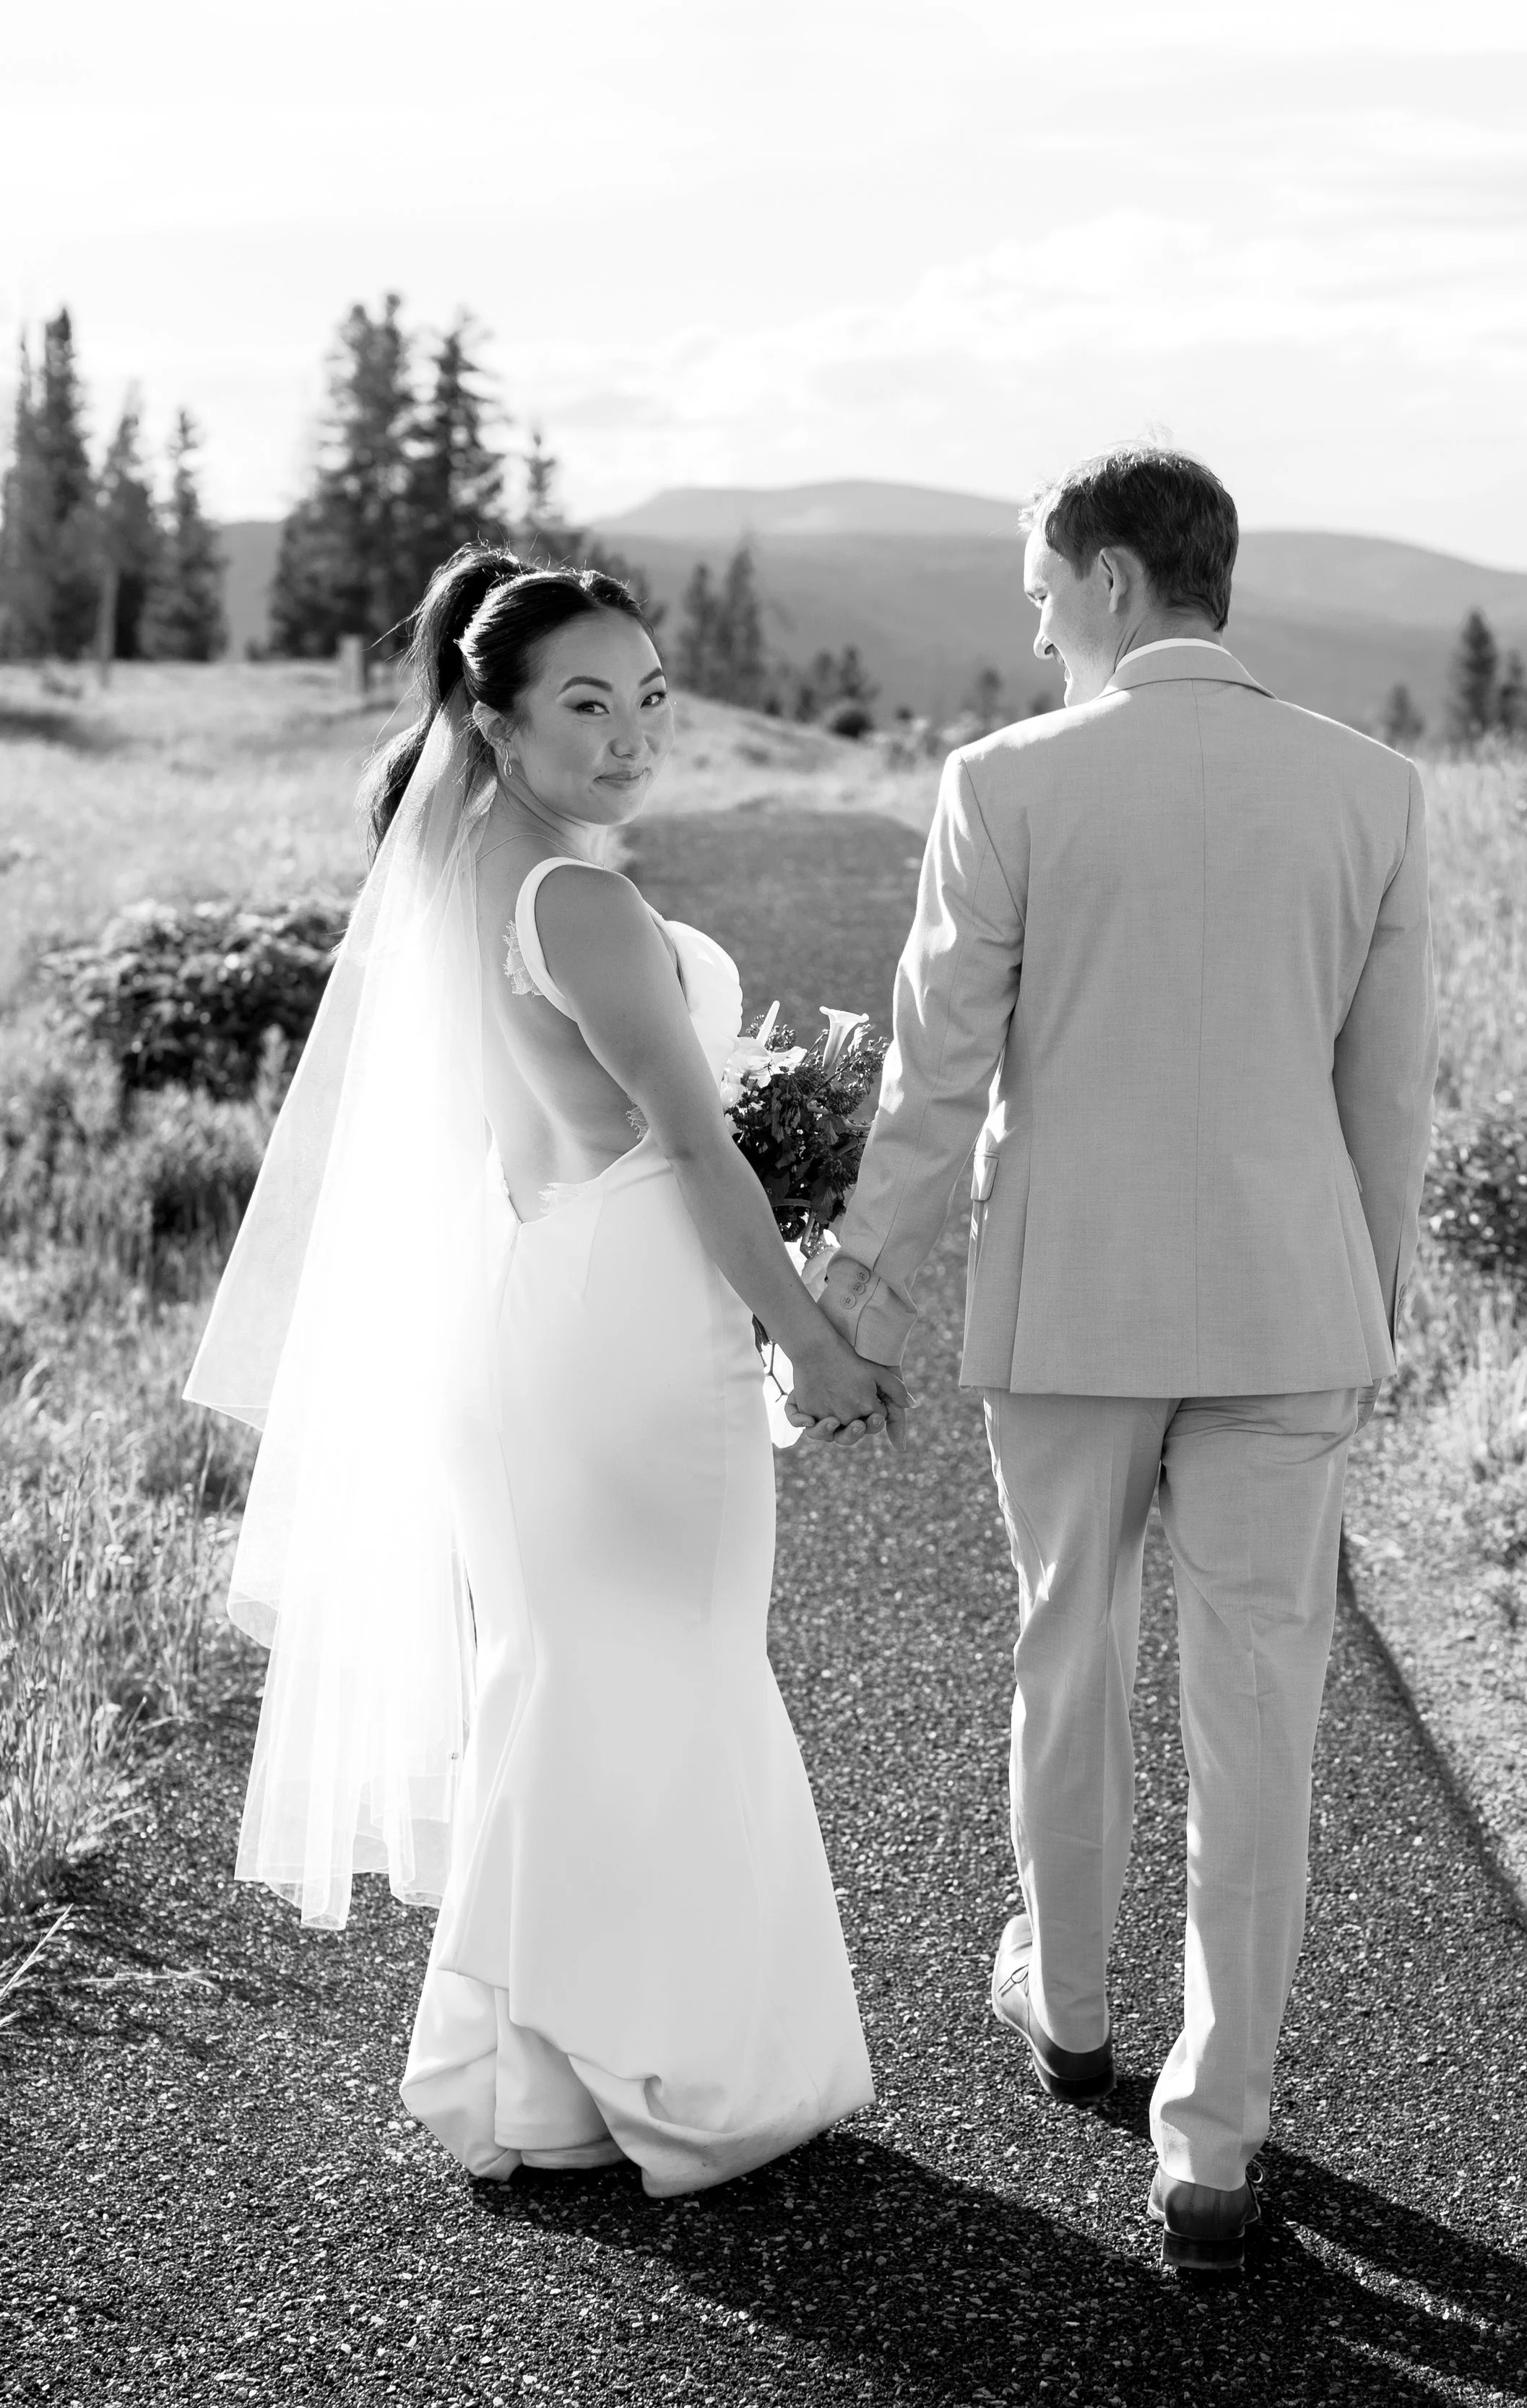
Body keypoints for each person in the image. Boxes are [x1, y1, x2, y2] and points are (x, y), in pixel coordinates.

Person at [187, 545, 904, 2195]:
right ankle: (680, 2073)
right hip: (628, 1322)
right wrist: (812, 1338)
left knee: (569, 1679)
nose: (631, 731)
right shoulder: (570, 897)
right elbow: (693, 1153)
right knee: (673, 1669)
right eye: (585, 703)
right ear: (491, 719)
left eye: (649, 695)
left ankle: (543, 2082)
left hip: (544, 1297)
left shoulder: (465, 866)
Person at [805, 446, 1438, 2275]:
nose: (1027, 624)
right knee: (1262, 1718)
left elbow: (934, 1084)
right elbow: (1378, 1098)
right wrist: (1355, 1304)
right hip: (1286, 1310)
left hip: (1068, 1305)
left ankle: (1070, 2008)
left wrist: (853, 1296)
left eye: (1034, 589)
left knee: (1064, 1641)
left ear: (1102, 583)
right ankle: (1215, 2131)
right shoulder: (1373, 789)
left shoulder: (1001, 784)